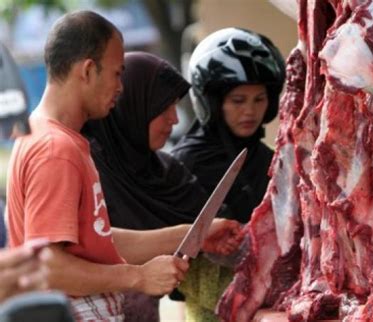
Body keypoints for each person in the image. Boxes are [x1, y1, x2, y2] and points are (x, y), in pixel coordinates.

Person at [6, 11, 241, 321]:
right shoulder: (55, 149)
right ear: (88, 70)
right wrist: (138, 276)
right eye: (117, 73)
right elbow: (49, 264)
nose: (121, 87)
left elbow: (97, 240)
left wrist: (193, 233)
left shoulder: (59, 140)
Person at [81, 51, 221, 321]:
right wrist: (189, 234)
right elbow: (93, 246)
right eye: (162, 107)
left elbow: (208, 230)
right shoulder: (88, 171)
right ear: (132, 106)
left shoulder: (168, 173)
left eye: (175, 106)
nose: (174, 119)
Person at [170, 28, 286, 322]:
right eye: (238, 100)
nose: (250, 111)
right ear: (212, 102)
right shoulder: (184, 165)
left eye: (259, 99)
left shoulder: (271, 160)